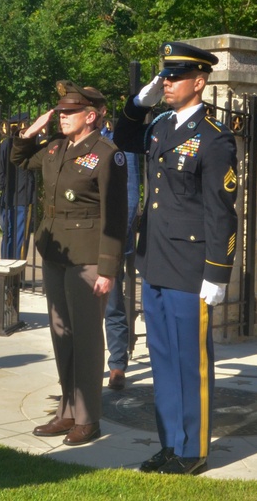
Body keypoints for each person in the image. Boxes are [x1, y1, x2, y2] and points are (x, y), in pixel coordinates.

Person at [113, 41, 238, 476]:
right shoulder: (161, 126)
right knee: (163, 359)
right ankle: (170, 445)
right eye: (164, 76)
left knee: (190, 362)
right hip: (155, 261)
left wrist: (217, 273)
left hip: (190, 267)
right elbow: (123, 137)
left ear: (199, 82)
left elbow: (221, 210)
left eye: (174, 76)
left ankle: (193, 450)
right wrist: (136, 103)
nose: (166, 82)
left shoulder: (215, 138)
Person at [11, 81, 127, 446]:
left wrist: (107, 269)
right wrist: (31, 130)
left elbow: (115, 215)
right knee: (61, 335)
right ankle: (66, 411)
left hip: (88, 258)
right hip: (56, 253)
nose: (62, 117)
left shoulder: (108, 155)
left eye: (69, 112)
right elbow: (18, 160)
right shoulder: (55, 148)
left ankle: (88, 418)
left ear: (90, 116)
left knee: (88, 339)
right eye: (60, 111)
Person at [100, 119, 141, 392]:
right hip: (79, 238)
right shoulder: (68, 145)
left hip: (108, 239)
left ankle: (117, 363)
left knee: (112, 304)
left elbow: (130, 194)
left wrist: (119, 238)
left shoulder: (119, 145)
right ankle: (82, 365)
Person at [0, 113, 36, 259]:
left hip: (8, 196)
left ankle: (5, 268)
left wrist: (4, 190)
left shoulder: (3, 145)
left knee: (9, 233)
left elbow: (0, 172)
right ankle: (15, 275)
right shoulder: (22, 145)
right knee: (20, 236)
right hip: (22, 195)